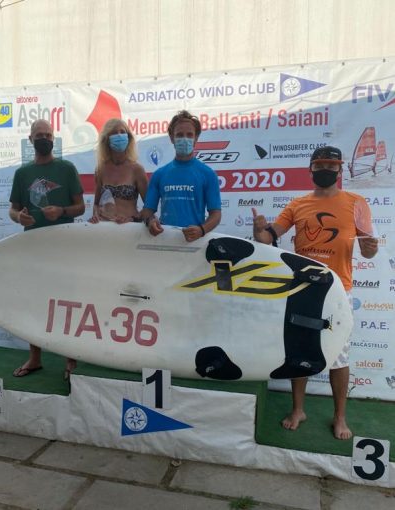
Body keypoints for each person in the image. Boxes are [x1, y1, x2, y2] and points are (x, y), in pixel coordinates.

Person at [252, 146, 378, 439]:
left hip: (338, 291)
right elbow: (269, 237)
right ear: (311, 169)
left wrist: (371, 248)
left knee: (340, 357)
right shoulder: (297, 204)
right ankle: (298, 410)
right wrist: (259, 230)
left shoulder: (357, 203)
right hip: (302, 288)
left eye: (331, 165)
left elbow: (368, 251)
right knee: (300, 351)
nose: (326, 170)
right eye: (320, 165)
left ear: (340, 169)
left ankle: (340, 417)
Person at [9, 119, 85, 378]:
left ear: (54, 138)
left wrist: (61, 211)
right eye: (39, 135)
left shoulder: (67, 168)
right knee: (34, 303)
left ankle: (70, 360)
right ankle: (35, 358)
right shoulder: (22, 173)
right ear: (30, 139)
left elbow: (81, 207)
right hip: (34, 248)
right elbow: (13, 209)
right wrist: (19, 217)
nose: (44, 139)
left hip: (64, 248)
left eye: (48, 135)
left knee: (67, 303)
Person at [142, 110, 221, 241]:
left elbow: (216, 214)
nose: (184, 139)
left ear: (196, 138)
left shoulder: (208, 174)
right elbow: (147, 211)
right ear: (171, 138)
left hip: (195, 243)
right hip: (165, 241)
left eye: (189, 135)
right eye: (179, 135)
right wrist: (150, 221)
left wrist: (202, 230)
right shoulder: (159, 174)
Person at [89, 118, 148, 224]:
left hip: (130, 229)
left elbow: (149, 207)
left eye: (122, 132)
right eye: (114, 133)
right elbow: (96, 204)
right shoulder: (100, 169)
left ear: (128, 137)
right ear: (107, 139)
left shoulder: (137, 169)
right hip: (105, 229)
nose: (119, 135)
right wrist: (96, 215)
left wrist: (132, 219)